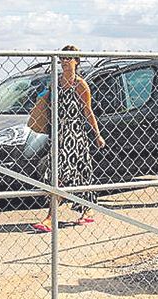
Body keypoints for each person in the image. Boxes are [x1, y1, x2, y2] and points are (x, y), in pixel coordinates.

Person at [29, 45, 106, 233]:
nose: (64, 62)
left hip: (75, 135)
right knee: (71, 174)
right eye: (62, 58)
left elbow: (88, 111)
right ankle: (86, 210)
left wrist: (97, 135)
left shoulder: (80, 84)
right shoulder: (55, 82)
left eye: (68, 58)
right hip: (59, 134)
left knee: (64, 176)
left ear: (76, 61)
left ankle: (50, 217)